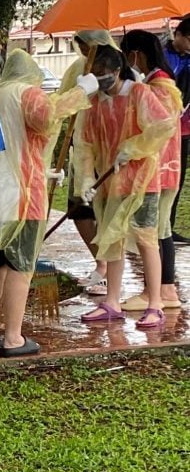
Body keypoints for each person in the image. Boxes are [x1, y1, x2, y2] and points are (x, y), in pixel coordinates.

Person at [0, 50, 96, 357]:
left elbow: (16, 141)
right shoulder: (26, 93)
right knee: (21, 267)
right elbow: (47, 116)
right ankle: (13, 338)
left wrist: (44, 169)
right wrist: (81, 92)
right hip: (22, 196)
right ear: (32, 75)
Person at [74, 45, 176, 329]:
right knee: (111, 240)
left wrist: (133, 148)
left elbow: (163, 127)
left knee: (146, 239)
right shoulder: (94, 102)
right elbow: (84, 145)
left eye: (103, 75)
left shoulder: (139, 94)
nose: (100, 81)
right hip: (111, 182)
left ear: (117, 70)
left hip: (143, 180)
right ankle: (112, 302)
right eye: (94, 76)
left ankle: (155, 303)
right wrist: (85, 180)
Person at [120, 31, 184, 312]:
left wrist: (130, 149)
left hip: (158, 169)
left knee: (154, 231)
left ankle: (158, 292)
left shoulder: (159, 85)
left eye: (126, 54)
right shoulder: (157, 81)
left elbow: (156, 130)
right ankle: (164, 289)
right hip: (164, 167)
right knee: (160, 229)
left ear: (137, 54)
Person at [59, 30, 121, 293]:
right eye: (80, 46)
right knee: (79, 210)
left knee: (108, 212)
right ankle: (101, 263)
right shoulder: (77, 68)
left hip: (110, 151)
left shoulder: (117, 65)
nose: (84, 50)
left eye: (86, 45)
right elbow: (64, 104)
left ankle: (112, 276)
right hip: (82, 149)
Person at [163, 17, 190, 244]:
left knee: (177, 179)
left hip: (183, 128)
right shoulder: (163, 55)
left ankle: (169, 228)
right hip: (162, 128)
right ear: (178, 34)